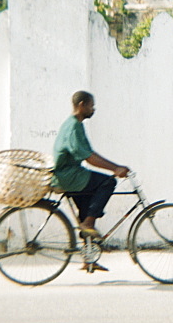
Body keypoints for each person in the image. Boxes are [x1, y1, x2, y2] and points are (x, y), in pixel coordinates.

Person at [52, 90, 129, 239]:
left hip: (71, 175)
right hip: (69, 176)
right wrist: (116, 168)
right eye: (91, 106)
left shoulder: (74, 124)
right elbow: (89, 158)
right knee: (108, 182)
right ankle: (88, 223)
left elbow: (89, 153)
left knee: (87, 210)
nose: (93, 109)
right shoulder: (74, 126)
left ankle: (89, 260)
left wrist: (115, 166)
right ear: (82, 105)